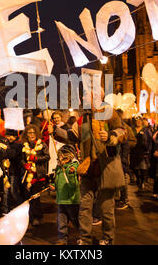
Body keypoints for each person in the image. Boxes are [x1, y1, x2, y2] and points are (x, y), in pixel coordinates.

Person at [51, 89, 126, 245]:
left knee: (106, 208)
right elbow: (72, 136)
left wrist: (111, 135)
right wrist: (56, 131)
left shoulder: (109, 112)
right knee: (85, 207)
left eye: (86, 95)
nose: (82, 97)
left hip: (106, 168)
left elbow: (123, 132)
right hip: (87, 169)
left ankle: (108, 238)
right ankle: (84, 238)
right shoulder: (84, 118)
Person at [50, 145, 80, 245]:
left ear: (70, 157)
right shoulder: (59, 168)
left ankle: (83, 235)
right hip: (61, 199)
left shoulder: (72, 168)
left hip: (71, 200)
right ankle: (62, 239)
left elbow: (73, 186)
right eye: (60, 157)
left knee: (75, 219)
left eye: (64, 158)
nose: (61, 160)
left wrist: (71, 174)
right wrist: (54, 185)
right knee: (61, 220)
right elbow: (57, 180)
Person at [19, 124, 50, 226]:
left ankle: (38, 217)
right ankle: (31, 217)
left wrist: (36, 159)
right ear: (26, 134)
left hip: (38, 175)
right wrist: (25, 165)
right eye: (29, 133)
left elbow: (47, 156)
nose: (31, 134)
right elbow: (21, 159)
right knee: (28, 196)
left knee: (35, 196)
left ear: (36, 133)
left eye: (33, 132)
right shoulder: (24, 145)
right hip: (27, 175)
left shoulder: (42, 144)